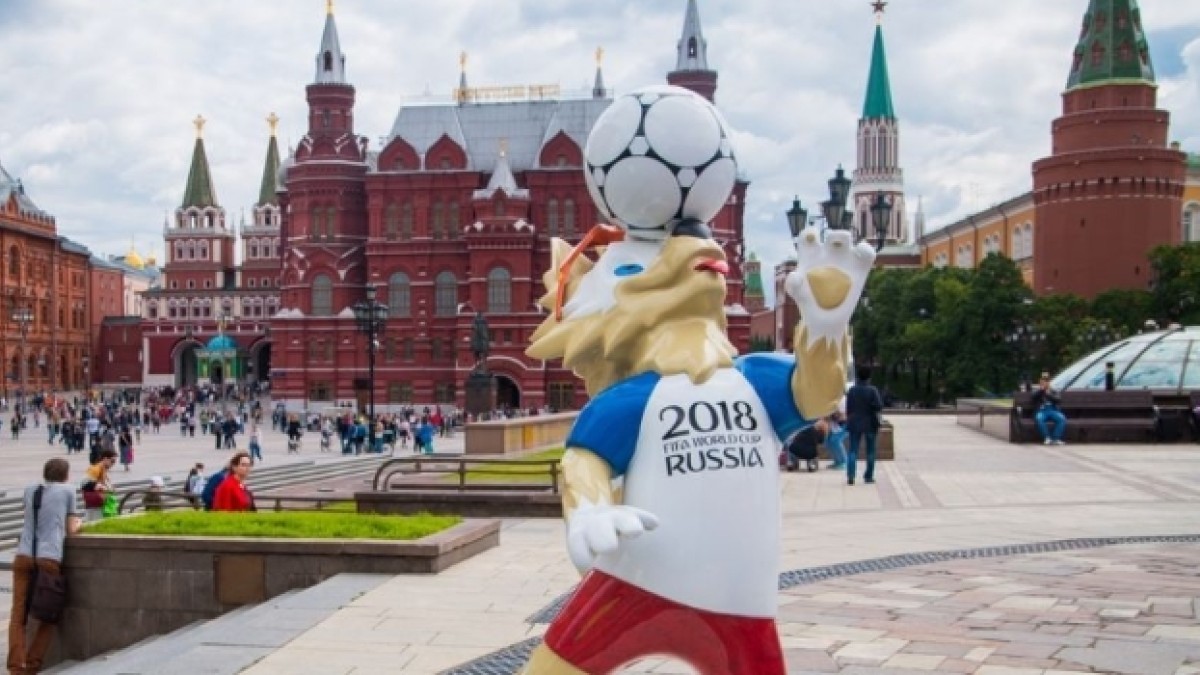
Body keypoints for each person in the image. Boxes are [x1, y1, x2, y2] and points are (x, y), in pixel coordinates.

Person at [8, 458, 82, 675]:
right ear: (66, 475)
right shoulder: (68, 491)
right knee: (48, 614)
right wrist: (79, 523)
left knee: (18, 614)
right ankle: (32, 665)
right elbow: (71, 528)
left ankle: (16, 667)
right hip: (49, 558)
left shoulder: (30, 489)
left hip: (23, 556)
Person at [845, 366, 884, 486]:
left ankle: (851, 476)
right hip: (870, 423)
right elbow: (879, 406)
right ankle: (868, 476)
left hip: (854, 422)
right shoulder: (872, 390)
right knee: (870, 451)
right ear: (869, 377)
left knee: (853, 450)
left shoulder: (852, 390)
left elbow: (849, 408)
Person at [81, 450, 117, 522]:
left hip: (99, 503)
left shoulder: (102, 469)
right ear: (105, 459)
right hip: (95, 502)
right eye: (112, 461)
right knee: (94, 521)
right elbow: (84, 483)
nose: (113, 464)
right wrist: (101, 487)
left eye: (114, 462)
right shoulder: (95, 469)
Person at [1032, 373, 1067, 445]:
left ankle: (1055, 438)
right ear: (1040, 381)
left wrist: (1048, 394)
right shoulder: (1037, 391)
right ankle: (1047, 437)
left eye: (1047, 381)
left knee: (1062, 419)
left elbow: (1058, 400)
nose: (1045, 382)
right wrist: (1041, 391)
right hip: (1042, 410)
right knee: (1039, 419)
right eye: (1043, 381)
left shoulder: (1053, 390)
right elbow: (1033, 398)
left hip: (1053, 410)